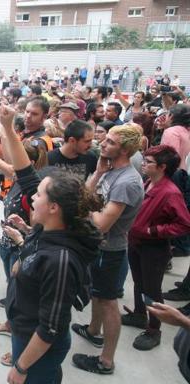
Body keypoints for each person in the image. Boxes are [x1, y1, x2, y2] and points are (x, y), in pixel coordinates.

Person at [0, 104, 102, 383]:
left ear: (54, 207)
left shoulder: (61, 260)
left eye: (39, 195)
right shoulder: (47, 227)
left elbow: (50, 327)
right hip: (24, 332)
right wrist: (7, 128)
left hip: (37, 343)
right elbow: (25, 173)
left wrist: (20, 368)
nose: (32, 196)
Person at [72, 123, 144, 375]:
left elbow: (101, 223)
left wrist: (88, 208)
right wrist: (99, 173)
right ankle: (93, 331)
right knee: (98, 295)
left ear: (124, 150)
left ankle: (106, 361)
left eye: (111, 142)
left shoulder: (127, 182)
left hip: (109, 252)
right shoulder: (110, 170)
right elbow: (86, 195)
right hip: (99, 249)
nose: (103, 143)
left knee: (108, 302)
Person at [122, 145, 190, 351]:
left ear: (162, 167)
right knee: (139, 282)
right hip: (136, 244)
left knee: (152, 289)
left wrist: (154, 231)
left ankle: (154, 329)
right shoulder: (149, 182)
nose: (143, 164)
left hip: (153, 249)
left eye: (148, 162)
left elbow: (185, 223)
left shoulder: (170, 193)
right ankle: (140, 314)